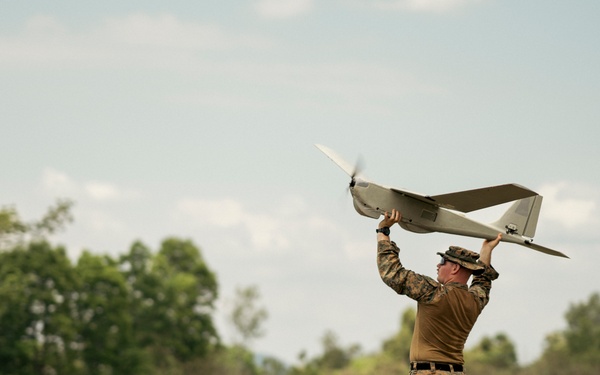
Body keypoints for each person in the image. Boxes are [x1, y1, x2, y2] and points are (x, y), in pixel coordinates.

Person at [376, 209, 502, 374]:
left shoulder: (434, 293)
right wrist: (486, 251)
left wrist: (383, 231)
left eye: (443, 261)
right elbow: (483, 280)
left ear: (455, 267)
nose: (438, 265)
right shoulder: (475, 301)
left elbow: (392, 273)